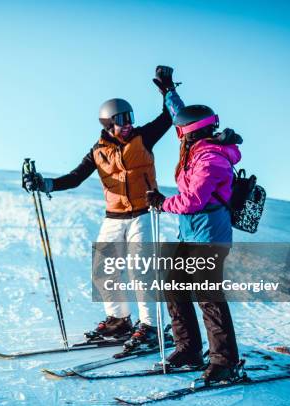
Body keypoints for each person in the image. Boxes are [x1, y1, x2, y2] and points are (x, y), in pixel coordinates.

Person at [23, 66, 181, 349]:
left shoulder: (143, 137)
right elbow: (73, 178)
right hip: (115, 216)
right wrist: (43, 183)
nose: (129, 123)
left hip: (144, 214)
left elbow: (169, 117)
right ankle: (119, 321)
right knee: (103, 268)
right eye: (122, 120)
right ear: (108, 124)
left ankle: (150, 327)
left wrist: (167, 90)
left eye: (130, 117)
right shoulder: (97, 152)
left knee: (140, 269)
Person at [146, 103, 243, 382]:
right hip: (191, 235)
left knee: (208, 297)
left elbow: (193, 200)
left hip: (209, 238)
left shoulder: (211, 158)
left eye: (180, 131)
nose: (178, 134)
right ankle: (188, 349)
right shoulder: (198, 152)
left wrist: (163, 203)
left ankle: (225, 362)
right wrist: (168, 92)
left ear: (189, 132)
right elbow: (183, 113)